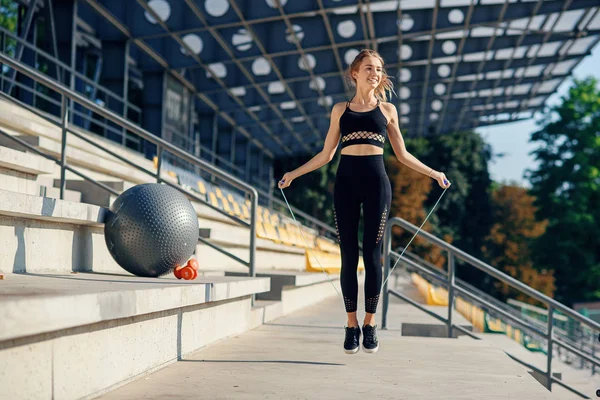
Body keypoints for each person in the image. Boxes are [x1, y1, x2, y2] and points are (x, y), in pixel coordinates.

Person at [278, 49, 451, 354]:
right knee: (348, 257)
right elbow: (326, 155)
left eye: (379, 69)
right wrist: (293, 173)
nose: (375, 72)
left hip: (377, 186)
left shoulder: (388, 111)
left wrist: (434, 173)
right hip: (345, 184)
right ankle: (350, 324)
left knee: (372, 257)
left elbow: (403, 154)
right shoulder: (340, 110)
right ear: (354, 73)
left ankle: (369, 324)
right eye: (369, 67)